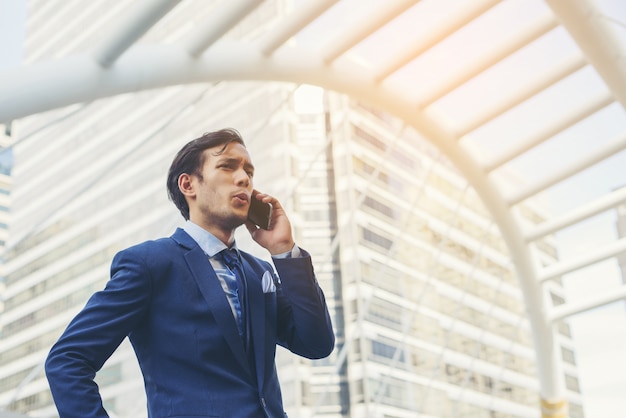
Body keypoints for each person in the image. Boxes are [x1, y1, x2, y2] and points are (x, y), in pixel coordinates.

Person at [45, 128, 335, 417]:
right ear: (188, 184)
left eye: (248, 171)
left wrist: (284, 251)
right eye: (227, 166)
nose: (244, 178)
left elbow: (317, 344)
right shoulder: (150, 263)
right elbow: (67, 360)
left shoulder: (258, 272)